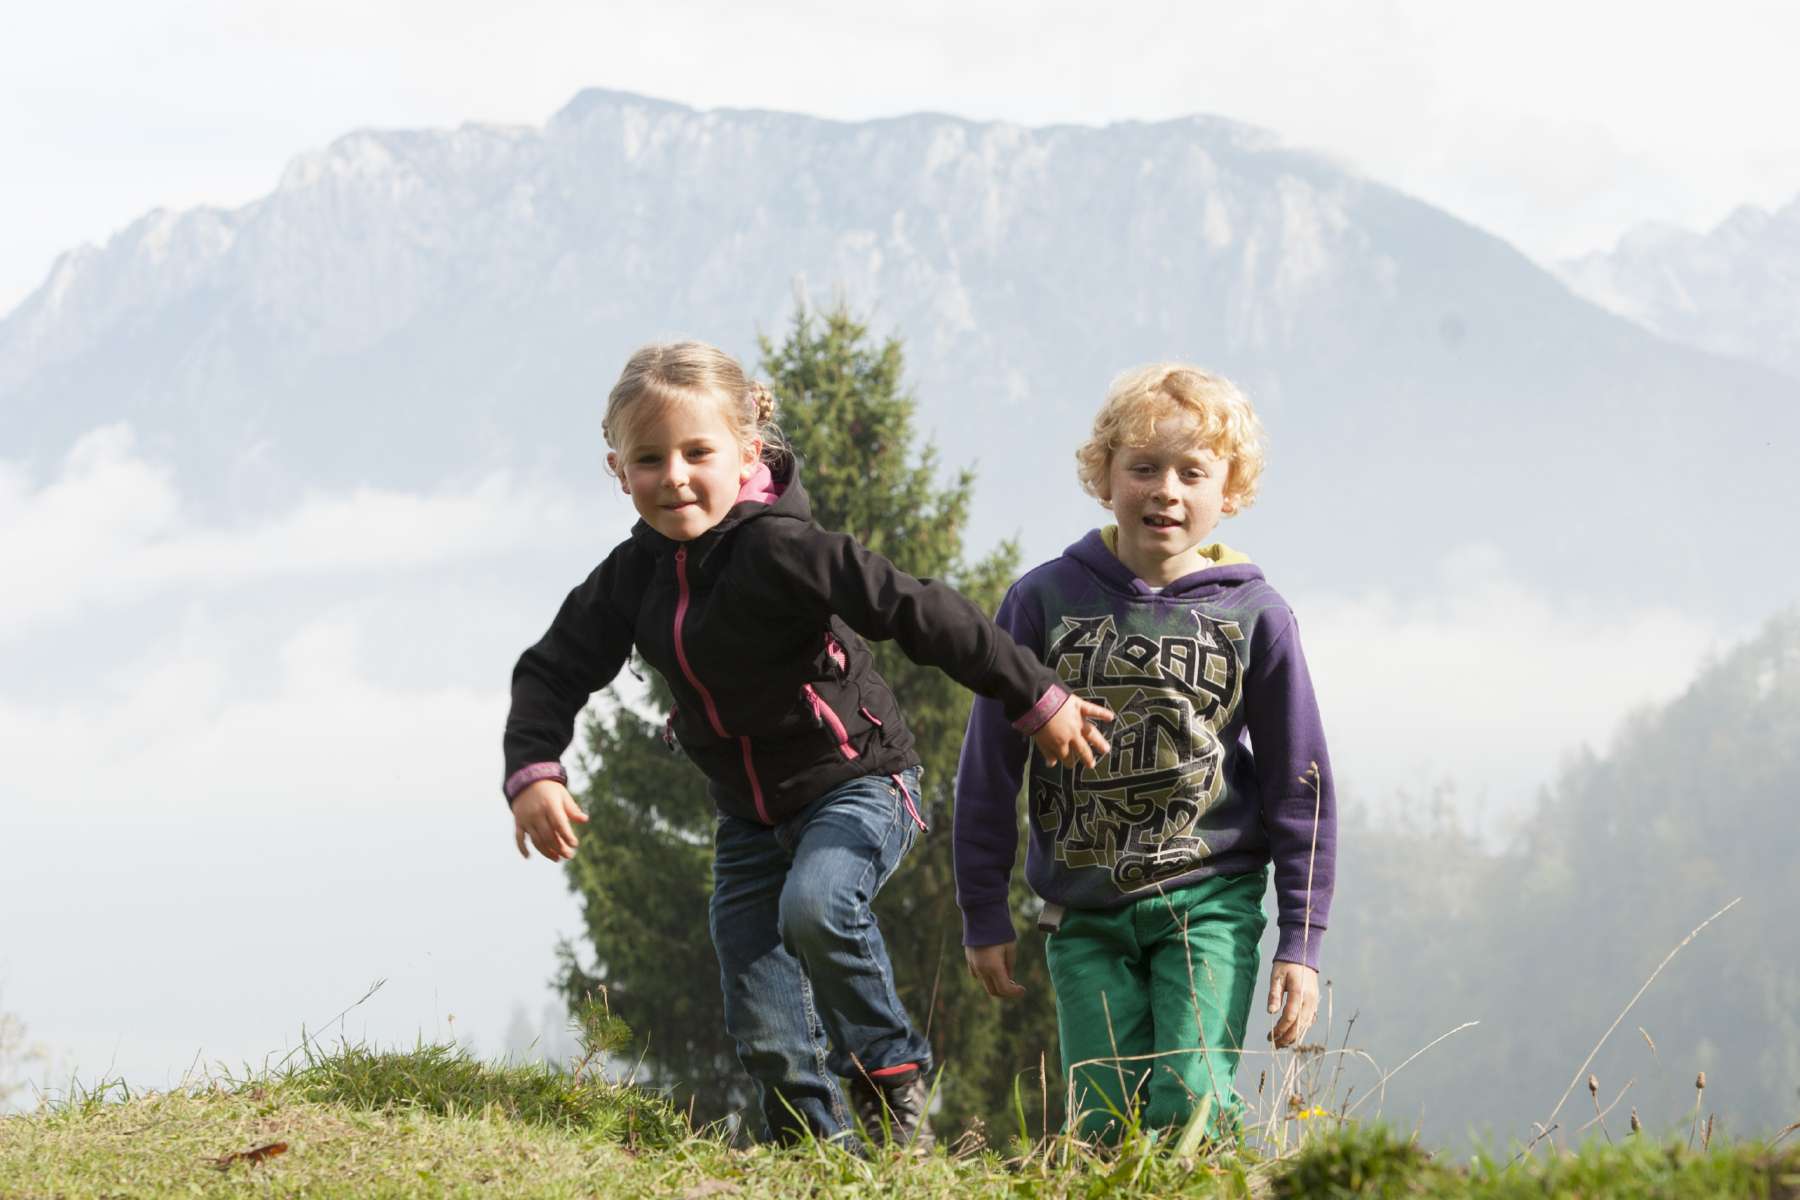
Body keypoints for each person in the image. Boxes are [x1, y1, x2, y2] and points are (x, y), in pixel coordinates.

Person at [502, 340, 1113, 1148]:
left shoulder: (783, 549)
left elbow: (918, 610)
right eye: (650, 459)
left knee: (817, 908)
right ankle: (810, 1146)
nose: (675, 476)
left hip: (860, 781)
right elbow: (552, 670)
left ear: (747, 452)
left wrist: (1036, 695)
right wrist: (534, 772)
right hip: (749, 817)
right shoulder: (630, 577)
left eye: (697, 453)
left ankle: (890, 1076)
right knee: (756, 995)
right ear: (619, 471)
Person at [954, 363, 1337, 1142]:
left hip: (1210, 898)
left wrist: (1302, 938)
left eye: (1193, 472)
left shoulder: (1256, 615)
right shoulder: (1043, 601)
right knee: (1101, 1123)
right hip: (1084, 909)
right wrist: (983, 909)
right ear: (1104, 475)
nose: (1167, 490)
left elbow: (1300, 784)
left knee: (1192, 1099)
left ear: (1230, 489)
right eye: (1144, 468)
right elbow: (989, 767)